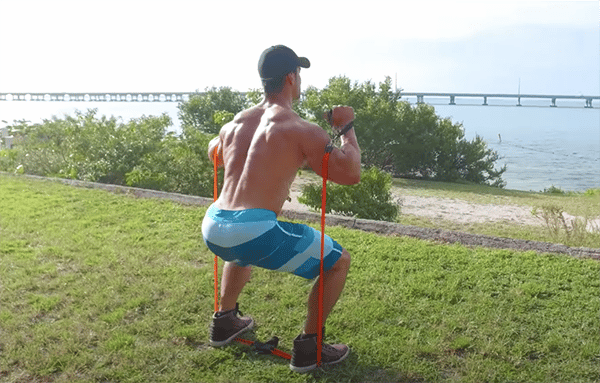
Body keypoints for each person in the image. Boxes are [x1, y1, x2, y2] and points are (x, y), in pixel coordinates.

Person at [202, 45, 361, 373]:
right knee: (338, 262)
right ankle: (310, 348)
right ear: (291, 77)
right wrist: (346, 128)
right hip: (252, 229)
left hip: (214, 224)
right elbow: (351, 173)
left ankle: (225, 322)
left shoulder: (234, 124)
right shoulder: (300, 128)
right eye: (299, 75)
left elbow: (213, 153)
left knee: (240, 251)